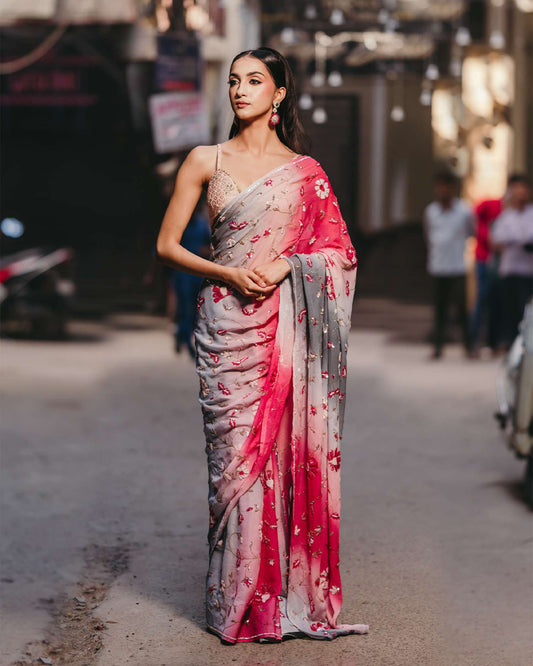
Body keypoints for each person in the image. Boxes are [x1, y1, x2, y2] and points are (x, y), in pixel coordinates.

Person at [156, 47, 368, 643]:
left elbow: (340, 255)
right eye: (233, 80)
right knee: (232, 468)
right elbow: (168, 246)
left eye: (254, 81)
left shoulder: (307, 174)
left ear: (278, 95)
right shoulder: (206, 159)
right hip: (226, 326)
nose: (239, 89)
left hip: (283, 326)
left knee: (275, 460)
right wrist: (227, 274)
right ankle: (237, 601)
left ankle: (270, 602)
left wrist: (286, 265)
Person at [423, 172, 475, 359]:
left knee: (462, 309)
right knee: (440, 310)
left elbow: (471, 231)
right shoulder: (431, 211)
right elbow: (428, 235)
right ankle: (438, 347)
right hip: (438, 266)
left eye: (446, 186)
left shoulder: (464, 211)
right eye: (440, 186)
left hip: (457, 266)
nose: (443, 190)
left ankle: (469, 346)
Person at [491, 173, 533, 348]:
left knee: (526, 311)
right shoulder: (505, 217)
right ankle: (510, 345)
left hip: (528, 271)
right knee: (509, 311)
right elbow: (495, 241)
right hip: (509, 270)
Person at [170, 203, 211, 357]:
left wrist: (204, 251)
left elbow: (210, 245)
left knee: (196, 309)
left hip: (198, 274)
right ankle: (184, 339)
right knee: (183, 307)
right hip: (182, 274)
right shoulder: (179, 224)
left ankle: (186, 336)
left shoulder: (202, 225)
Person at [470, 197, 503, 352]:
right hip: (484, 259)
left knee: (499, 301)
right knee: (482, 298)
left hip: (504, 263)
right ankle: (474, 340)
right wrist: (488, 238)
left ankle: (494, 342)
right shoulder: (488, 206)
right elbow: (475, 224)